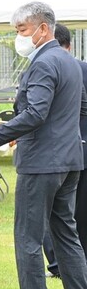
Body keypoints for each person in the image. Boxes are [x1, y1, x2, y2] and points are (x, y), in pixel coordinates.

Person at [0, 2, 87, 289]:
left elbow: (36, 113)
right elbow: (78, 109)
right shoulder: (69, 61)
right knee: (66, 233)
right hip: (69, 159)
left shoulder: (43, 63)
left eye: (21, 30)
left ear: (42, 29)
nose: (18, 37)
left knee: (28, 236)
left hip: (42, 163)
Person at [55, 23, 87, 266]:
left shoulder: (45, 68)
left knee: (58, 213)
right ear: (71, 45)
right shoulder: (81, 68)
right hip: (78, 148)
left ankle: (57, 262)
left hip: (55, 153)